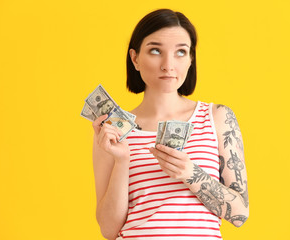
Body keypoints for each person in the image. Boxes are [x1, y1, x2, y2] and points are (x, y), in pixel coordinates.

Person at [92, 8, 249, 240]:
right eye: (155, 51)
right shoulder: (114, 129)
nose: (168, 65)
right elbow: (108, 230)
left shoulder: (216, 117)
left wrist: (190, 173)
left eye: (180, 52)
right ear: (135, 58)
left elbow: (240, 214)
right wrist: (122, 159)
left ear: (191, 59)